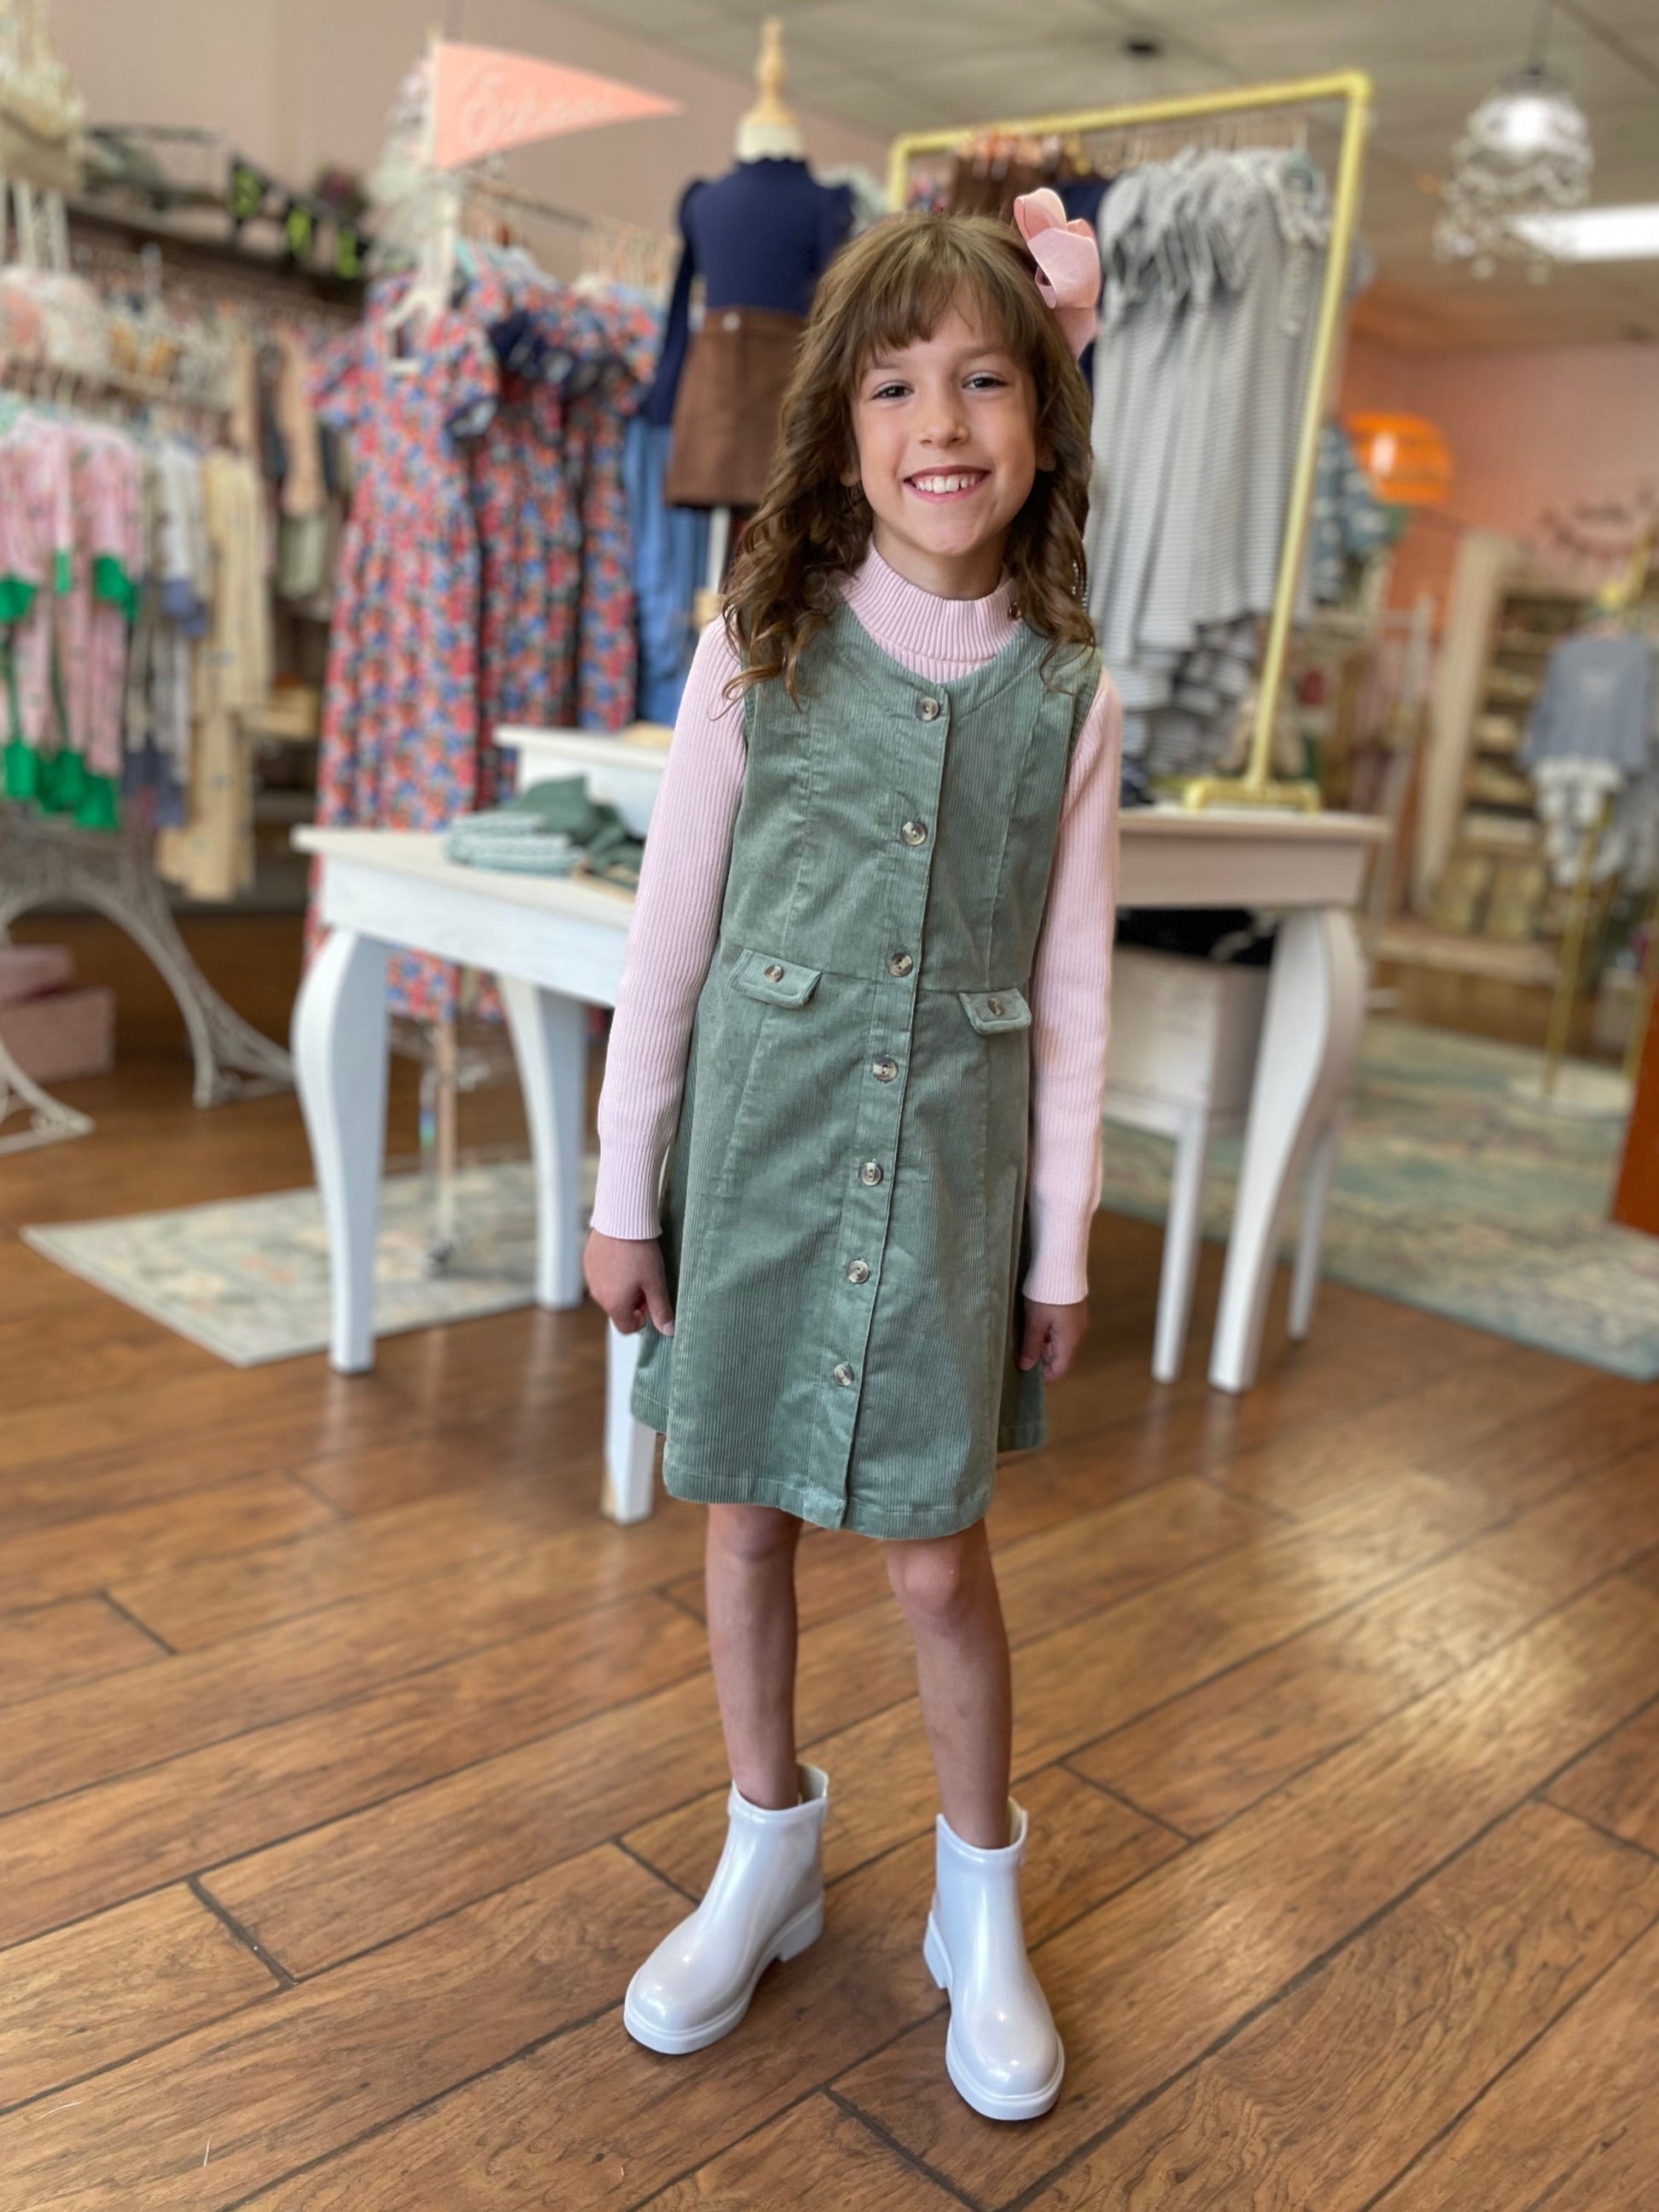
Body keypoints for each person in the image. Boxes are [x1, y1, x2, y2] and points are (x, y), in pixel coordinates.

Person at [584, 194, 1120, 2123]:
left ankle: (980, 1898)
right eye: (894, 386)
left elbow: (1074, 987)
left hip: (954, 1186)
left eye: (984, 379)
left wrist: (1060, 1243)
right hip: (762, 1162)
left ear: (1043, 418)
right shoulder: (762, 638)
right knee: (740, 1520)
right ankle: (769, 1848)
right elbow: (667, 939)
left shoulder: (1070, 686)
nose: (940, 422)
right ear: (839, 425)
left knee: (933, 1560)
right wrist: (620, 1190)